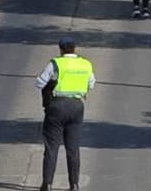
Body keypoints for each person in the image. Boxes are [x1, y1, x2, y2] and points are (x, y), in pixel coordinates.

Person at [35, 37, 95, 191]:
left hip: (57, 106)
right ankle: (74, 184)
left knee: (51, 147)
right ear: (75, 49)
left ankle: (47, 184)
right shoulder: (85, 64)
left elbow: (40, 83)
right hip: (76, 106)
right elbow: (91, 83)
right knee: (73, 148)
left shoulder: (56, 63)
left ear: (61, 49)